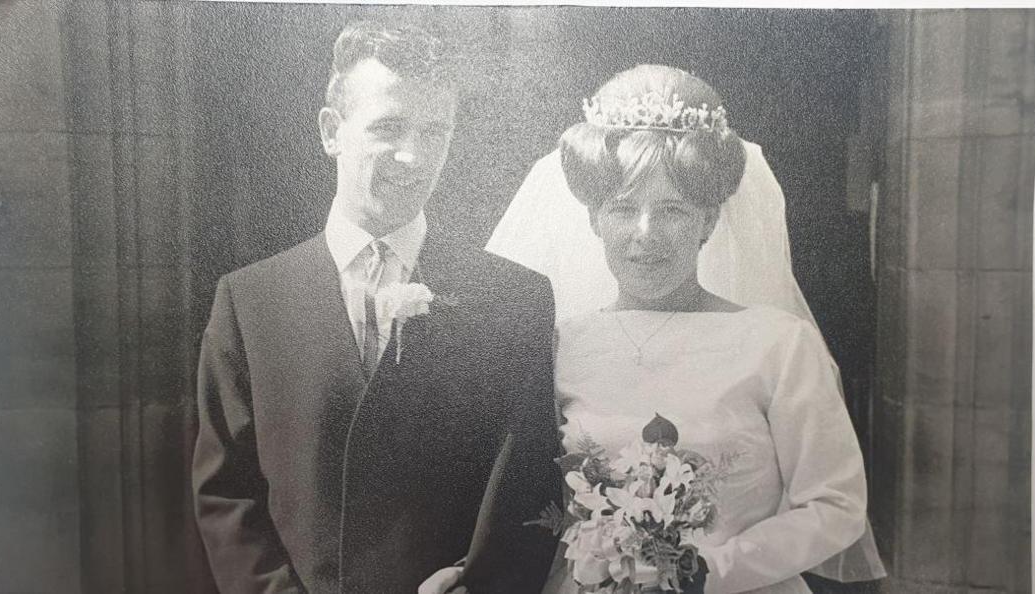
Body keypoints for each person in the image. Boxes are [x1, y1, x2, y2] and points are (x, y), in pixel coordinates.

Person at [438, 64, 887, 593]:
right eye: (623, 209)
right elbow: (519, 501)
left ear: (709, 221)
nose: (645, 235)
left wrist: (704, 571)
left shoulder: (779, 345)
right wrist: (475, 571)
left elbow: (835, 507)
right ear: (594, 220)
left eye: (672, 210)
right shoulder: (560, 345)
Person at [192, 21, 560, 594]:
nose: (413, 156)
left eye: (435, 132)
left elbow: (530, 484)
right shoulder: (251, 301)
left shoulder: (514, 299)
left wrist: (479, 581)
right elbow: (226, 491)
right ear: (331, 131)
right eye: (389, 127)